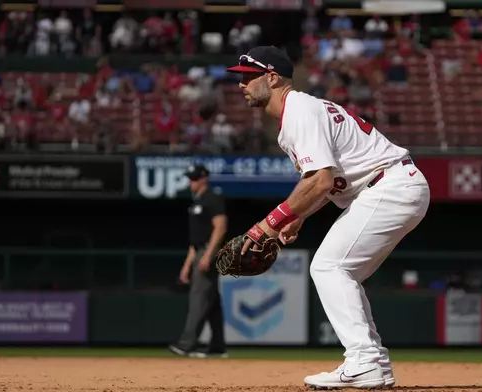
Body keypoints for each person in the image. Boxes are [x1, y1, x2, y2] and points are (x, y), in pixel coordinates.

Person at [226, 46, 430, 389]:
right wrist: (300, 216)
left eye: (248, 76)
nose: (241, 84)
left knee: (329, 267)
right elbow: (329, 179)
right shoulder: (300, 112)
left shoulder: (299, 111)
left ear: (272, 78)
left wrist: (267, 224)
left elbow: (320, 180)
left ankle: (364, 361)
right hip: (392, 187)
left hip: (389, 186)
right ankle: (372, 363)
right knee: (342, 272)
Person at [169, 164, 229, 358]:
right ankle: (218, 346)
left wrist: (208, 255)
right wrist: (186, 266)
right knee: (212, 300)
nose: (191, 182)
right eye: (190, 178)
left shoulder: (212, 198)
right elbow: (194, 242)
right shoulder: (197, 201)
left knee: (199, 297)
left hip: (208, 251)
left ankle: (187, 343)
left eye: (194, 178)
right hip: (198, 250)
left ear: (204, 178)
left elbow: (220, 227)